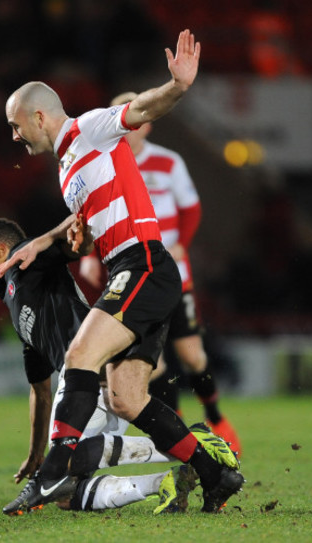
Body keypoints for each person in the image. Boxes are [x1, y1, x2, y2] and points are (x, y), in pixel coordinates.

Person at [0, 29, 243, 513]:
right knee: (127, 397)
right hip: (132, 269)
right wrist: (63, 240)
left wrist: (176, 87)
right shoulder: (69, 168)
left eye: (15, 125)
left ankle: (55, 474)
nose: (13, 135)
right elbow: (86, 223)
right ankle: (216, 474)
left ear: (39, 117)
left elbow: (142, 110)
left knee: (79, 355)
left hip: (144, 264)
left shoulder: (89, 127)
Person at [0, 216, 214, 515]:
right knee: (65, 494)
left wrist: (77, 237)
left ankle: (193, 445)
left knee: (64, 466)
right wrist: (35, 455)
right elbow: (40, 392)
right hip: (88, 389)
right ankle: (164, 482)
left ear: (2, 250)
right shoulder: (17, 302)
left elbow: (76, 248)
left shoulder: (27, 260)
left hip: (90, 380)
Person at [78, 91, 242, 456]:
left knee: (193, 356)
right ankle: (179, 429)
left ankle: (215, 416)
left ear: (146, 123)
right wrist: (90, 253)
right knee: (154, 365)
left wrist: (182, 242)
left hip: (173, 275)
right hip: (134, 276)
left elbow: (191, 208)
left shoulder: (168, 162)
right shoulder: (103, 161)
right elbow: (92, 213)